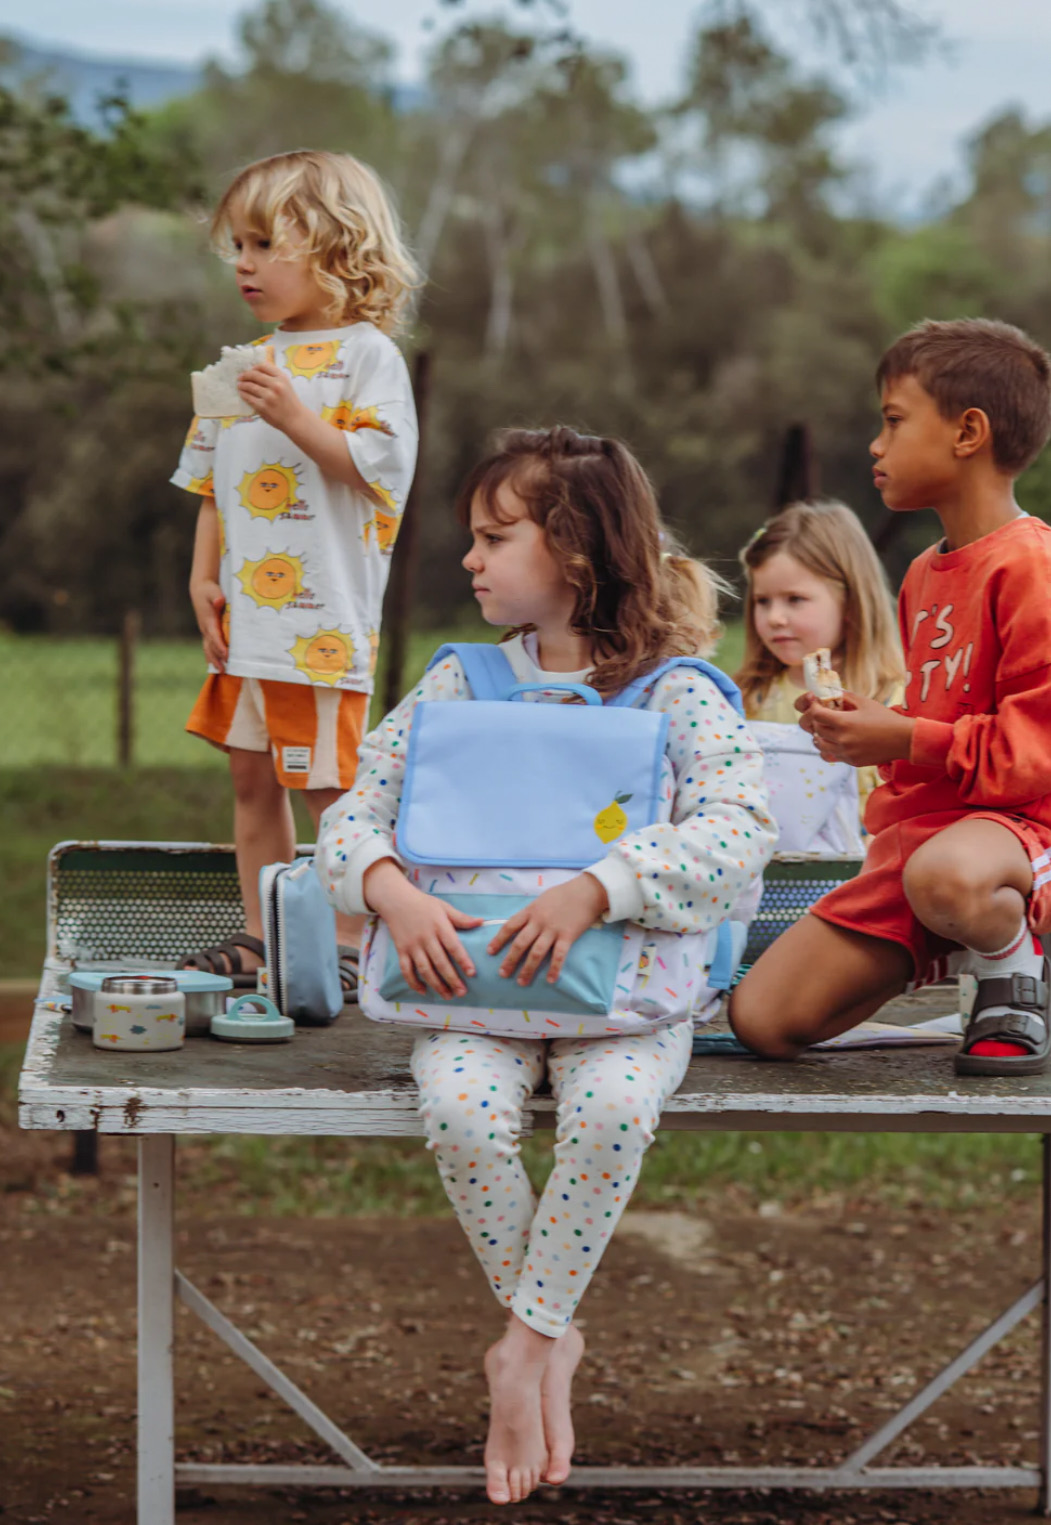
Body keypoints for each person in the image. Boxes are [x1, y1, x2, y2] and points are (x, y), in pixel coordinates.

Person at [316, 426, 776, 1504]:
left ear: (572, 549)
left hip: (624, 1004)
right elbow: (347, 821)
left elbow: (738, 832)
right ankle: (551, 1334)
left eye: (493, 537)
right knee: (466, 1113)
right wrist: (389, 886)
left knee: (613, 1110)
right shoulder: (456, 683)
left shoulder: (676, 693)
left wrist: (596, 887)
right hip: (471, 996)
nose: (470, 561)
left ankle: (520, 1348)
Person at [730, 317, 1051, 1077]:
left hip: (1013, 831)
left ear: (966, 432)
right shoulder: (921, 576)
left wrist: (904, 739)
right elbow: (939, 724)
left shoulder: (1031, 564)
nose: (876, 445)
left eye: (893, 420)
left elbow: (1035, 755)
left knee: (948, 874)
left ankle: (1011, 969)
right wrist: (867, 731)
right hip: (923, 850)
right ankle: (957, 936)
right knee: (762, 1019)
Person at [172, 149, 419, 989]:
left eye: (262, 243)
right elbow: (213, 484)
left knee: (327, 790)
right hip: (246, 622)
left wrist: (296, 414)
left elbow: (377, 466)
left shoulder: (367, 357)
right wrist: (203, 576)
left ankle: (349, 945)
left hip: (318, 630)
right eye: (235, 246)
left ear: (337, 246)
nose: (241, 264)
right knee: (250, 780)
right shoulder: (239, 362)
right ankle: (260, 934)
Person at [736, 500, 904, 828]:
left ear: (851, 603)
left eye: (795, 599)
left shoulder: (893, 700)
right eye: (762, 601)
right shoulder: (747, 700)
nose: (774, 618)